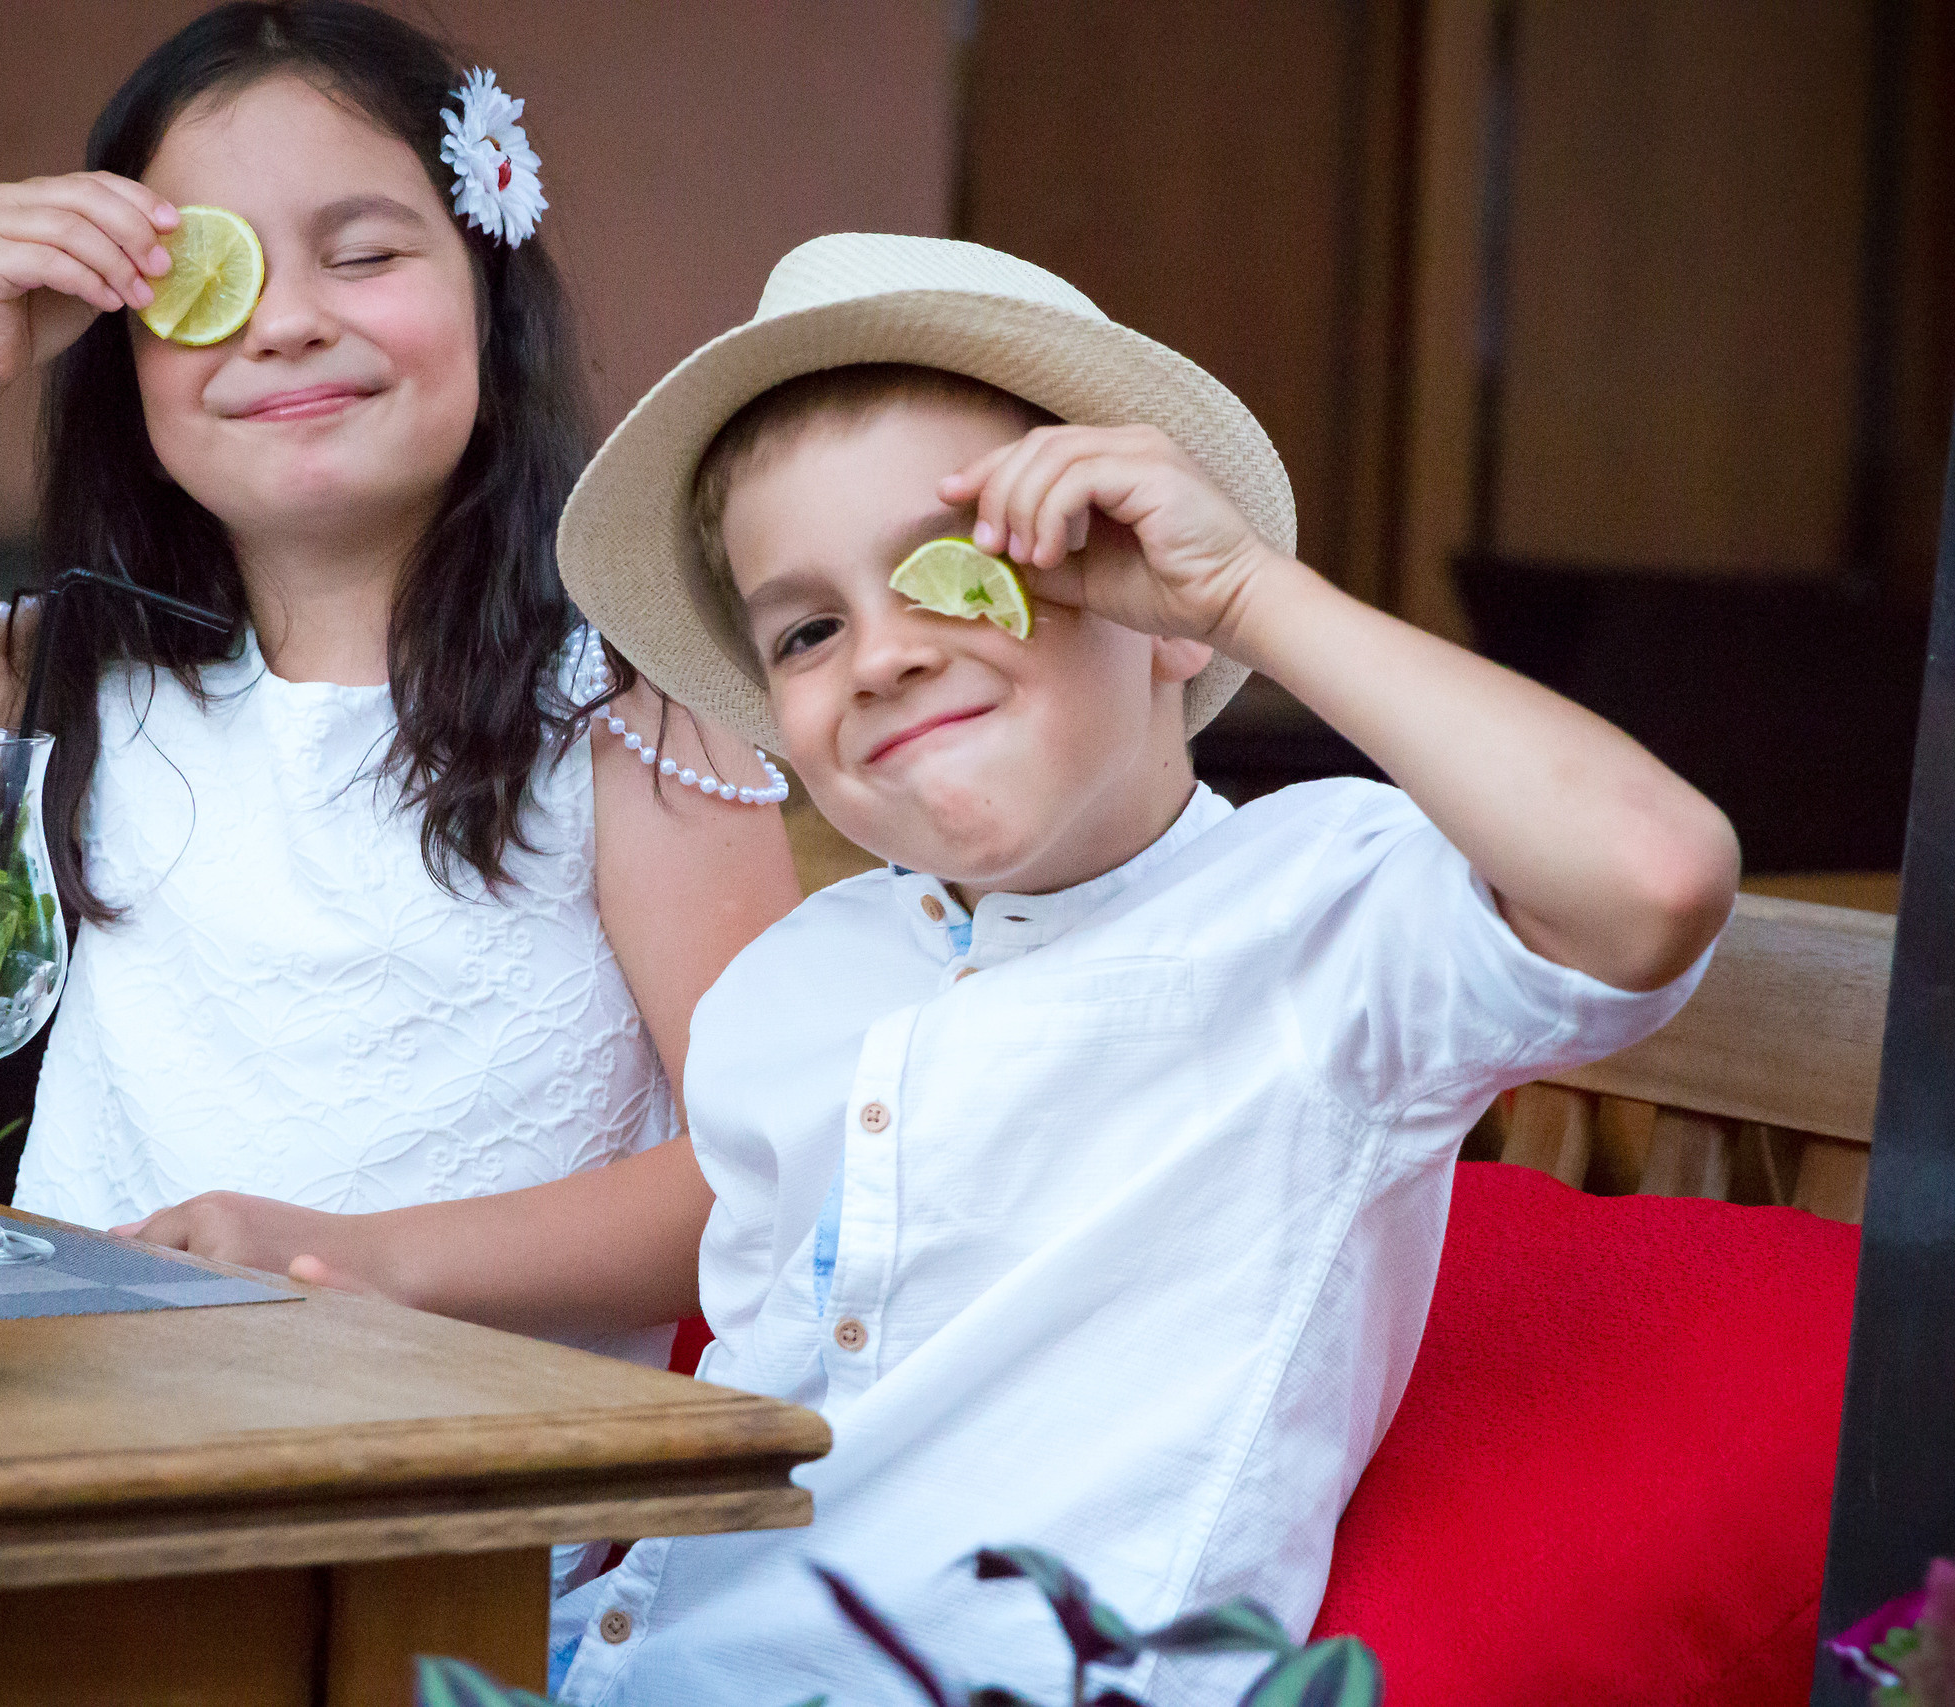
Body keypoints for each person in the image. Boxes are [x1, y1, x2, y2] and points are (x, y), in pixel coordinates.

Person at [542, 234, 1738, 1702]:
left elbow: (1654, 877)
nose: (882, 655)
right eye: (807, 628)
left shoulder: (1316, 916)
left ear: (1160, 620)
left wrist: (1247, 591)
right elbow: (764, 1381)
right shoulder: (795, 985)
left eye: (955, 570)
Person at [0, 1, 801, 1364]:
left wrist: (349, 1263)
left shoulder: (620, 705)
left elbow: (764, 1167)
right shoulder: (84, 676)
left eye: (364, 254)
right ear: (128, 356)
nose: (291, 323)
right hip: (92, 1435)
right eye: (214, 281)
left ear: (492, 290)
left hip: (452, 1501)